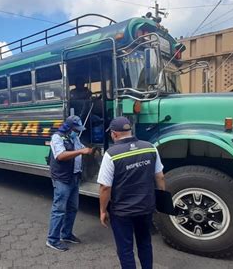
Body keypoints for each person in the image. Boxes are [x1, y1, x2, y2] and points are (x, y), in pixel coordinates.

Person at [97, 117, 166, 269]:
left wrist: (102, 210)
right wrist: (161, 199)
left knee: (125, 249)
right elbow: (160, 177)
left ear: (114, 134)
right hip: (146, 207)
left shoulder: (111, 154)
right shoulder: (150, 147)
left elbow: (105, 188)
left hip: (122, 212)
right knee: (145, 243)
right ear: (130, 131)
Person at [46, 115, 93, 252]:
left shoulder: (74, 137)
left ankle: (66, 235)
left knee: (73, 208)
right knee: (59, 210)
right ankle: (52, 240)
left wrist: (90, 150)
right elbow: (60, 155)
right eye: (75, 129)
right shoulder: (57, 138)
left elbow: (82, 148)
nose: (77, 132)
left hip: (74, 177)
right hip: (62, 178)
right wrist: (80, 151)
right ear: (68, 127)